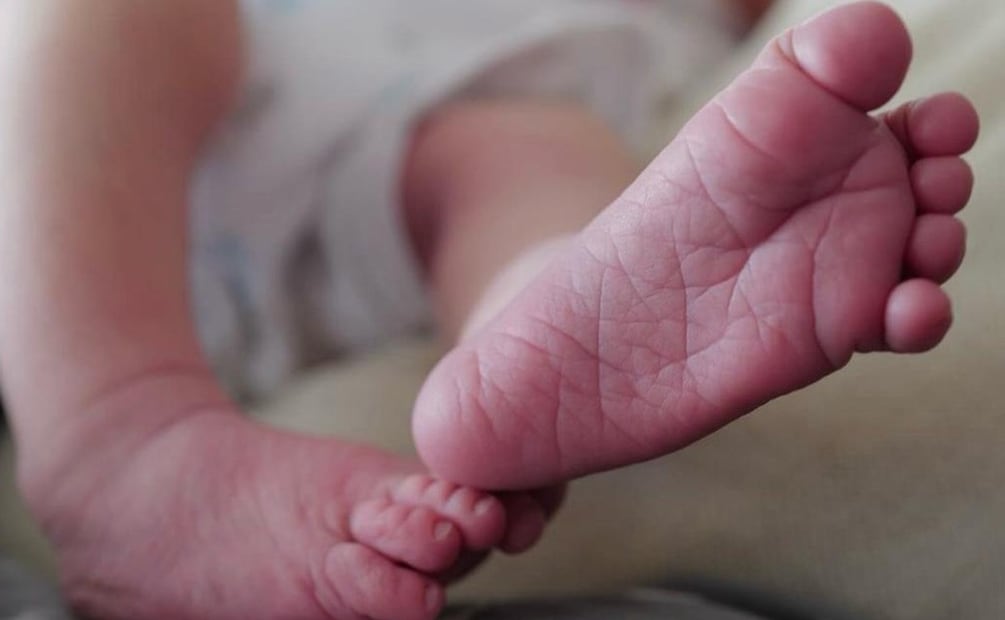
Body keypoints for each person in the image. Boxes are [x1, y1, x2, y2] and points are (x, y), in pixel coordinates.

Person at [0, 1, 978, 619]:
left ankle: (538, 327)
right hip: (110, 142)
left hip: (439, 107)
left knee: (529, 157)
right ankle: (113, 430)